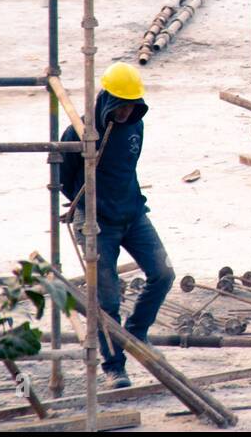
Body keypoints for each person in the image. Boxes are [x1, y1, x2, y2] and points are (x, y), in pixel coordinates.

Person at [59, 61, 173, 388]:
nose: (125, 112)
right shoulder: (79, 132)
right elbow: (62, 178)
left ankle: (136, 333)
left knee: (163, 273)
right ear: (107, 99)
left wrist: (123, 202)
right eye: (120, 106)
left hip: (132, 214)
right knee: (106, 299)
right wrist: (88, 207)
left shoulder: (135, 125)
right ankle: (113, 366)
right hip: (96, 222)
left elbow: (127, 167)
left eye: (131, 106)